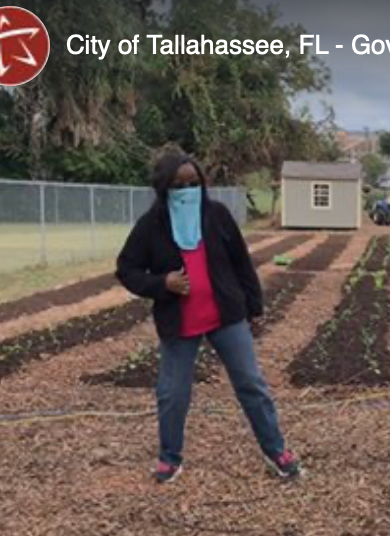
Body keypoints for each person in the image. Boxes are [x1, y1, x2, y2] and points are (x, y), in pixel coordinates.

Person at [116, 153, 301, 483]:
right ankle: (169, 458)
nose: (187, 190)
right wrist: (162, 283)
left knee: (251, 384)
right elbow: (126, 269)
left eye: (193, 183)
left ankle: (277, 451)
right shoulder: (152, 224)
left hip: (226, 316)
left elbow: (242, 263)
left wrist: (254, 308)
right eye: (178, 185)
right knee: (172, 392)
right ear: (163, 188)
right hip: (180, 323)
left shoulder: (216, 215)